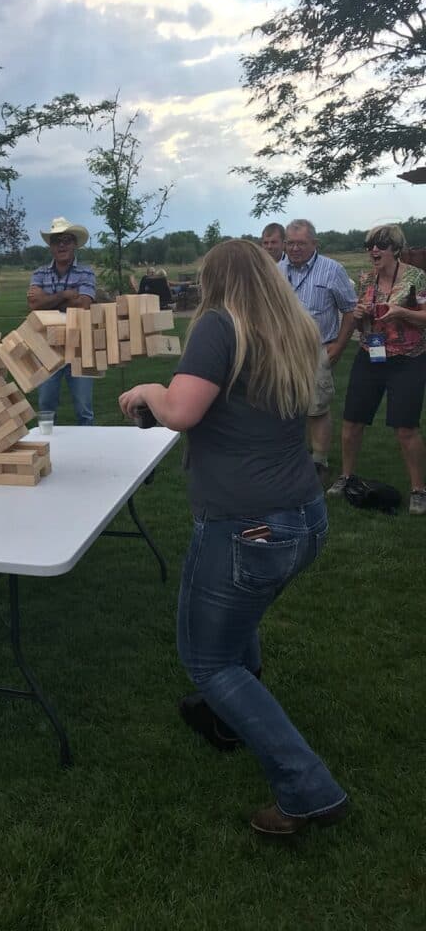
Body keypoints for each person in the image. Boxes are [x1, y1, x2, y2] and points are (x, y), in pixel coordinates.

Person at [119, 239, 347, 837]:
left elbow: (183, 411)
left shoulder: (220, 324)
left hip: (245, 525)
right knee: (237, 628)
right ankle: (231, 720)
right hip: (304, 516)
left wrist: (146, 393)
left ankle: (307, 789)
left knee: (208, 658)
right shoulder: (293, 328)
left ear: (215, 280)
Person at [327, 224, 426, 515]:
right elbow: (363, 322)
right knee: (352, 421)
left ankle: (419, 490)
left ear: (395, 249)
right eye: (370, 245)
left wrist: (401, 312)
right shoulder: (366, 278)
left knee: (405, 427)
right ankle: (346, 477)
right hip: (371, 354)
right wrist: (359, 316)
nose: (374, 250)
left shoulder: (415, 277)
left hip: (408, 359)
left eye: (381, 245)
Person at [279, 220, 357, 481]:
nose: (295, 248)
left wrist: (339, 345)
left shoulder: (332, 269)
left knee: (317, 408)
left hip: (317, 350)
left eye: (301, 243)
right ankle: (289, 456)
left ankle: (319, 462)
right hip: (282, 352)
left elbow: (350, 310)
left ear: (315, 244)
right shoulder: (277, 270)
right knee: (285, 406)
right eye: (290, 243)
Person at [28, 216, 96, 425]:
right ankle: (49, 451)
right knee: (46, 407)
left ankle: (88, 453)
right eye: (57, 241)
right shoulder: (39, 273)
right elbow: (34, 306)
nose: (62, 245)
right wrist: (66, 295)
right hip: (46, 347)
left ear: (75, 244)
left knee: (84, 409)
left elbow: (84, 305)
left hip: (79, 346)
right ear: (51, 246)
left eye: (67, 240)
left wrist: (48, 301)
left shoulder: (87, 271)